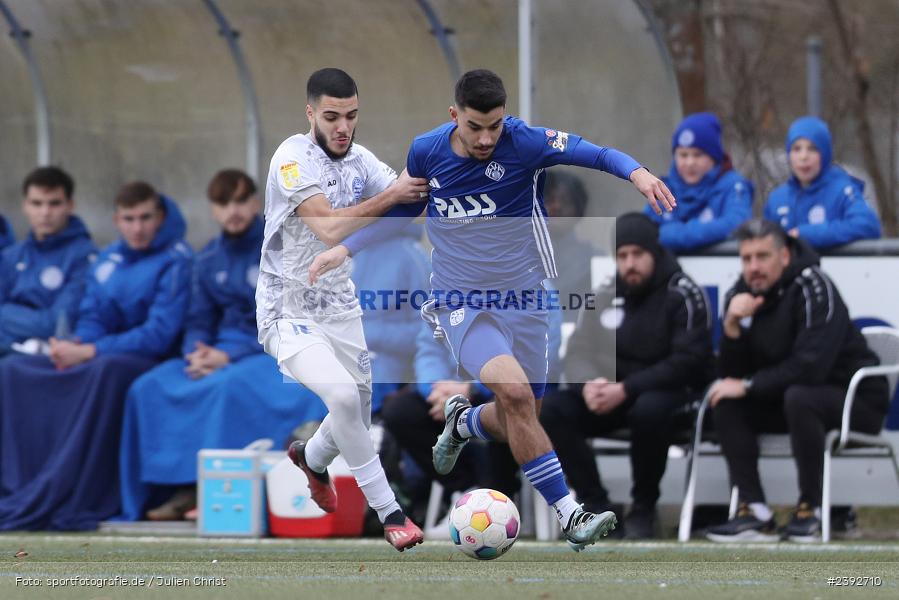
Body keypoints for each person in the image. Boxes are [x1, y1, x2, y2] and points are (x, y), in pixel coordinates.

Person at [310, 69, 677, 550]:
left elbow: (597, 153)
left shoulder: (526, 143)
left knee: (517, 419)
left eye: (495, 126)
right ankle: (571, 515)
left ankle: (464, 422)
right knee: (516, 395)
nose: (486, 138)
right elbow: (406, 209)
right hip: (460, 301)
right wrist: (347, 247)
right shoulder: (427, 151)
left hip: (525, 300)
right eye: (475, 126)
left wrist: (639, 173)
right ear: (454, 115)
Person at [255, 68, 431, 551]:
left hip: (340, 305)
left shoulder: (360, 160)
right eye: (332, 116)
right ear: (310, 113)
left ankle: (311, 460)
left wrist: (438, 177)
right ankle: (391, 513)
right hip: (287, 307)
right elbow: (329, 228)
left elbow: (410, 205)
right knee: (343, 396)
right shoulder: (292, 159)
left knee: (356, 405)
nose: (343, 127)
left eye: (351, 116)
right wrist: (392, 196)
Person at [118, 169, 327, 521]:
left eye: (241, 201)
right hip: (217, 353)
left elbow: (293, 317)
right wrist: (195, 353)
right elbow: (198, 319)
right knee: (148, 387)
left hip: (271, 351)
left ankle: (212, 489)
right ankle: (168, 491)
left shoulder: (282, 248)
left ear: (256, 204)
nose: (234, 210)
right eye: (224, 203)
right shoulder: (208, 258)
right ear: (213, 209)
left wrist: (228, 355)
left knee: (225, 387)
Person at [0, 181, 192, 530]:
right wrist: (76, 345)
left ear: (160, 217)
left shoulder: (176, 260)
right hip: (101, 353)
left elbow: (158, 334)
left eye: (145, 218)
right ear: (117, 220)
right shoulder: (108, 259)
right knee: (14, 370)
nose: (138, 228)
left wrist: (90, 350)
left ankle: (79, 489)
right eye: (129, 219)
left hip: (151, 359)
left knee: (103, 370)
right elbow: (92, 316)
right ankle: (23, 484)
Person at [705, 219, 888, 542]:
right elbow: (732, 375)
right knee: (726, 401)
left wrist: (748, 385)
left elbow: (810, 368)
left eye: (763, 256)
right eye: (747, 258)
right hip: (791, 399)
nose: (753, 267)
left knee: (800, 395)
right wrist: (731, 326)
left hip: (854, 399)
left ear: (785, 256)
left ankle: (810, 509)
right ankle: (755, 512)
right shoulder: (741, 294)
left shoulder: (814, 286)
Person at [541, 213, 712, 539]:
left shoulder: (683, 293)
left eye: (637, 254)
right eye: (622, 256)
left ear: (654, 253)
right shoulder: (604, 293)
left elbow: (688, 362)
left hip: (669, 395)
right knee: (552, 409)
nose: (630, 264)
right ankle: (595, 503)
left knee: (649, 409)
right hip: (612, 395)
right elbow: (577, 351)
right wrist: (589, 384)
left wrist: (627, 388)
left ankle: (644, 507)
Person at [0, 167, 95, 355]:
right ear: (25, 206)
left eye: (54, 204)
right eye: (37, 203)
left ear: (70, 205)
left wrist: (6, 313)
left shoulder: (85, 257)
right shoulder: (11, 255)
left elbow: (57, 325)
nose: (45, 212)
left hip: (46, 357)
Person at [764, 116, 880, 249]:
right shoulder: (778, 198)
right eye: (796, 149)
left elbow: (867, 225)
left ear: (825, 153)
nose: (803, 157)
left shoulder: (842, 191)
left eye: (812, 149)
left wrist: (809, 235)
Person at [644, 112, 753, 253]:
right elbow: (644, 231)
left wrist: (674, 235)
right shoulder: (663, 187)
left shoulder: (734, 186)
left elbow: (737, 224)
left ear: (714, 157)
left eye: (698, 155)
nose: (690, 162)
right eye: (683, 155)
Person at [543, 170, 594, 320]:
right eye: (549, 200)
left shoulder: (595, 260)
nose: (557, 206)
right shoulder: (516, 260)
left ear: (578, 210)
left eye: (565, 201)